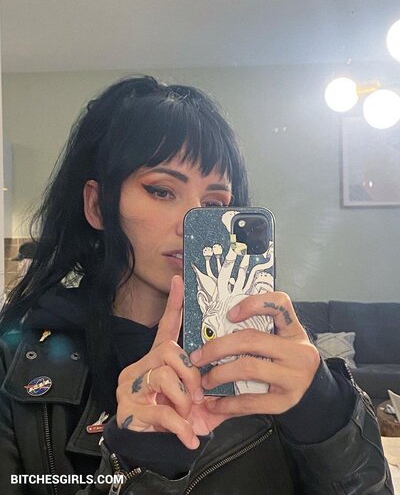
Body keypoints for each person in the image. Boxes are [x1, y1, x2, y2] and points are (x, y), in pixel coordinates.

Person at [0, 75, 393, 494]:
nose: (192, 223)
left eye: (214, 203)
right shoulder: (17, 362)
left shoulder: (266, 356)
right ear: (97, 205)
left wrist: (325, 411)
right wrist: (135, 462)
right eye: (161, 191)